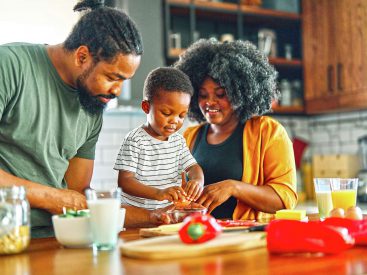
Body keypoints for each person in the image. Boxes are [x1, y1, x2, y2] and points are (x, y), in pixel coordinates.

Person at [0, 0, 143, 238]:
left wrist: (157, 216)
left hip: (54, 238)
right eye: (112, 77)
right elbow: (64, 199)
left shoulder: (93, 105)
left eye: (124, 81)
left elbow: (76, 194)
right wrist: (52, 197)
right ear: (82, 56)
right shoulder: (10, 66)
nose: (117, 90)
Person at [173, 39, 297, 221]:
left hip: (244, 239)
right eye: (202, 95)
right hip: (197, 235)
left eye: (221, 94)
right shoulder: (189, 137)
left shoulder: (268, 132)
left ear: (240, 92)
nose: (210, 102)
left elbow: (285, 198)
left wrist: (233, 187)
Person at [114, 67, 204, 210]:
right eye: (166, 113)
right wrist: (158, 193)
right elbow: (125, 182)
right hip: (136, 215)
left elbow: (193, 167)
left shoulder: (178, 141)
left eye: (181, 115)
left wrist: (197, 180)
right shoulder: (135, 140)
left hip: (166, 214)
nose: (175, 121)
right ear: (146, 107)